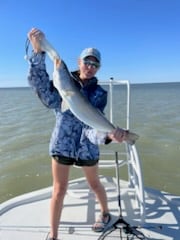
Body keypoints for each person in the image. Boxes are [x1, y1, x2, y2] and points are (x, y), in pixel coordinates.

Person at [27, 28, 128, 240]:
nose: (90, 67)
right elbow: (43, 90)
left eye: (95, 64)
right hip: (62, 144)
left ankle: (105, 213)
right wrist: (38, 54)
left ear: (98, 68)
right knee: (59, 189)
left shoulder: (99, 93)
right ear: (79, 61)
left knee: (95, 184)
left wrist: (109, 135)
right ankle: (53, 235)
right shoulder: (62, 82)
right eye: (87, 62)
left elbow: (92, 128)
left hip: (87, 147)